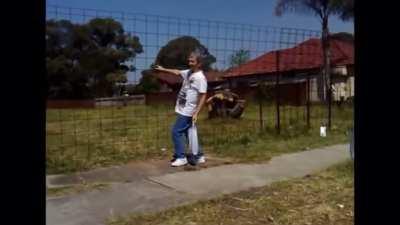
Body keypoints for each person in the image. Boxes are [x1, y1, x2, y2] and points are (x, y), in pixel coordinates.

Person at [153, 49, 207, 166]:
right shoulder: (189, 72)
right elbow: (177, 72)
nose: (189, 62)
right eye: (189, 60)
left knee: (176, 131)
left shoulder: (200, 78)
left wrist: (196, 112)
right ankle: (199, 155)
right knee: (188, 132)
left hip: (189, 110)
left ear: (199, 63)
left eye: (192, 61)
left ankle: (181, 157)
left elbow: (203, 96)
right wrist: (163, 69)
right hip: (183, 107)